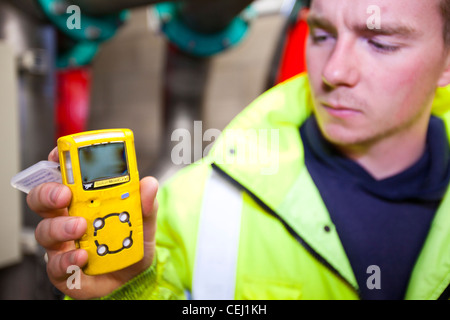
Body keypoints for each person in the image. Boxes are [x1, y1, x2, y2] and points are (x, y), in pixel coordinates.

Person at [27, 0, 450, 300]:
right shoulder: (195, 203)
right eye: (321, 34)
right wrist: (127, 292)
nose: (335, 71)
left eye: (380, 43)